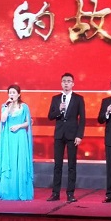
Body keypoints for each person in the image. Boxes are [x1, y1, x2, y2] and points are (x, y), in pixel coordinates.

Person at [0, 85, 33, 200]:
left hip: (20, 136)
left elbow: (28, 122)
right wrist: (7, 106)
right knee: (9, 161)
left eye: (14, 92)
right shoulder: (5, 106)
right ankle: (8, 191)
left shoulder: (24, 107)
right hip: (8, 138)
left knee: (20, 162)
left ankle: (20, 190)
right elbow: (3, 120)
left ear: (19, 94)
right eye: (10, 93)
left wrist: (19, 126)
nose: (11, 94)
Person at [47, 73, 86, 203]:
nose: (66, 83)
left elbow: (82, 119)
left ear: (73, 84)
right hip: (59, 135)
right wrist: (59, 110)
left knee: (71, 165)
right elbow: (50, 116)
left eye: (69, 81)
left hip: (72, 135)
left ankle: (70, 193)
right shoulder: (56, 98)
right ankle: (55, 193)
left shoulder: (78, 99)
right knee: (57, 165)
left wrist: (79, 135)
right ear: (61, 83)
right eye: (64, 81)